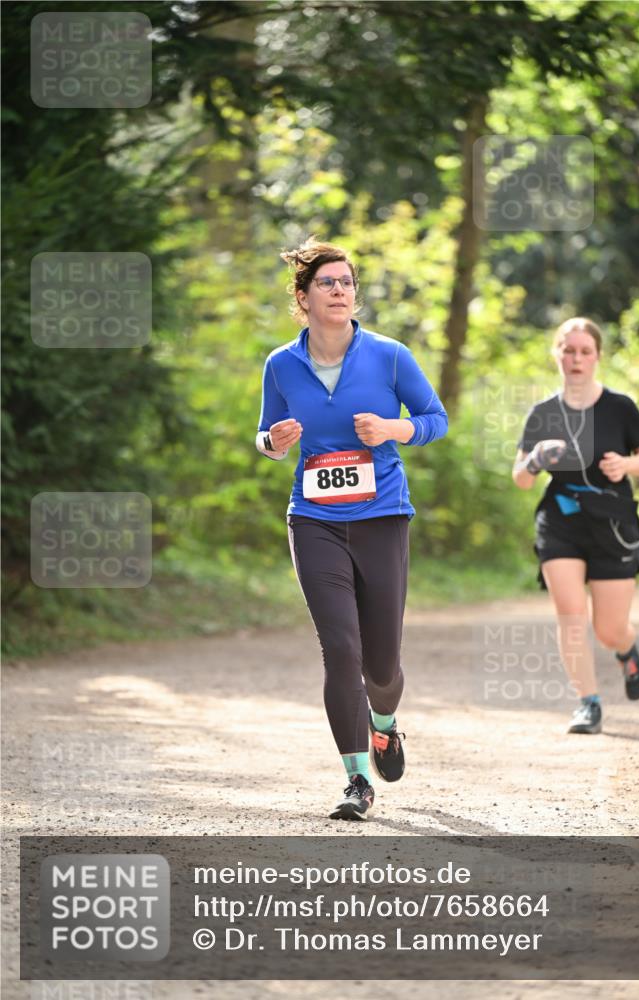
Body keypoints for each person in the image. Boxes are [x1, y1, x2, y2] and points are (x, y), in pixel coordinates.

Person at [256, 237, 447, 819]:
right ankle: (356, 780)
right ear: (303, 296)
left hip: (382, 518)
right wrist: (273, 443)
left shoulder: (390, 356)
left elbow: (434, 420)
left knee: (381, 666)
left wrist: (394, 429)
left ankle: (384, 723)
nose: (340, 291)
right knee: (341, 651)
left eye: (347, 282)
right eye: (327, 283)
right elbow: (264, 435)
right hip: (313, 519)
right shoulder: (281, 364)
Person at [512, 317, 639, 735]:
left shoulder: (619, 407)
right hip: (560, 521)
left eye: (585, 351)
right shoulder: (543, 412)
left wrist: (627, 464)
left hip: (612, 523)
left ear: (596, 357)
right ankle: (588, 703)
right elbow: (521, 479)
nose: (576, 359)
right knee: (571, 614)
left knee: (608, 628)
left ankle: (627, 649)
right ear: (557, 354)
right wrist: (536, 458)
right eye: (569, 350)